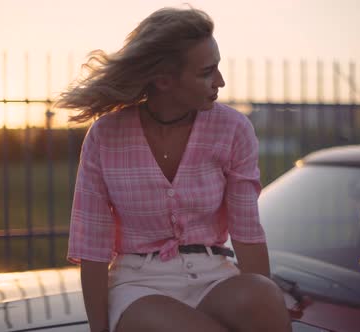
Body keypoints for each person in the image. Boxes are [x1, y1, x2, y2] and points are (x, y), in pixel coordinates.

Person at [57, 6, 291, 332]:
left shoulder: (233, 129)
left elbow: (247, 232)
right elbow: (92, 247)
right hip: (137, 285)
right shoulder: (105, 135)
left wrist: (267, 305)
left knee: (264, 297)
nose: (220, 81)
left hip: (213, 275)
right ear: (164, 79)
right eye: (207, 72)